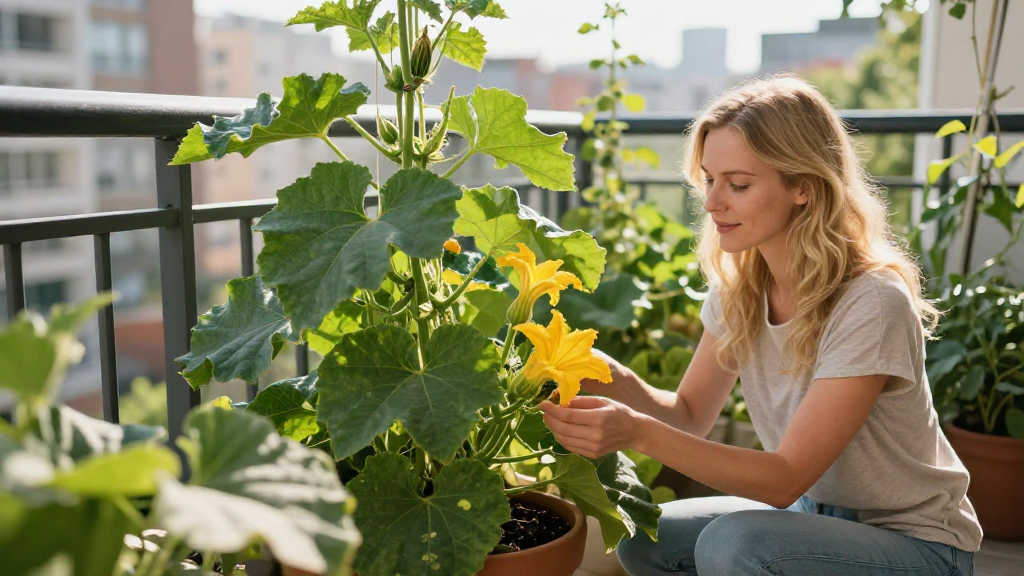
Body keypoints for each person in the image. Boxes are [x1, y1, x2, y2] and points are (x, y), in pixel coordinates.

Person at [538, 76, 982, 576]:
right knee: (647, 538)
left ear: (802, 187)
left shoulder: (871, 300)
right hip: (810, 517)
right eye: (709, 179)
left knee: (735, 544)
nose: (712, 203)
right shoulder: (741, 289)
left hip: (916, 544)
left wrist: (634, 432)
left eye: (739, 184)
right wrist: (596, 369)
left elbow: (784, 479)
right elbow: (687, 416)